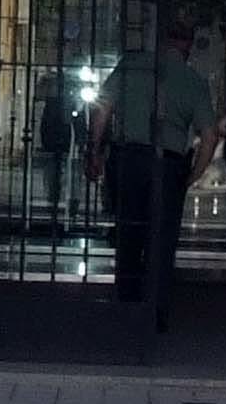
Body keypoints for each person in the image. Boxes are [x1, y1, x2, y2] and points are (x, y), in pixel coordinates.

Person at [87, 19, 215, 299]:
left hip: (130, 158)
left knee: (129, 231)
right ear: (188, 46)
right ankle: (156, 300)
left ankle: (127, 296)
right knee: (162, 236)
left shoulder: (131, 65)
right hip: (169, 164)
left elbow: (102, 110)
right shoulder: (194, 82)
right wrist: (192, 174)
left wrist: (94, 150)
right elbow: (208, 137)